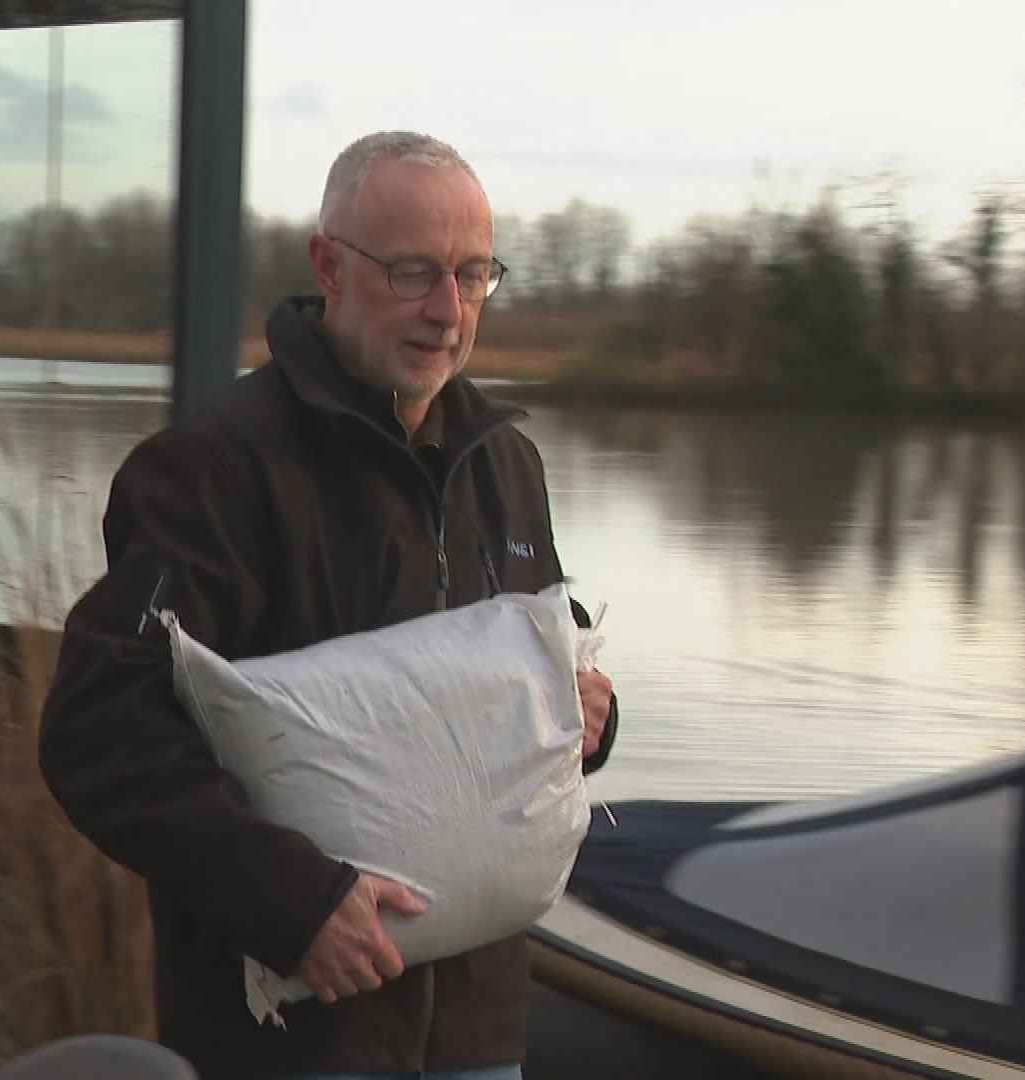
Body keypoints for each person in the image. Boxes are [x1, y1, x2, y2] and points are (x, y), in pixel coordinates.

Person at [40, 131, 618, 1080]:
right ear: (329, 268)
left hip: (478, 1031)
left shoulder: (506, 461)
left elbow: (549, 657)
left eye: (474, 276)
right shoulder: (215, 469)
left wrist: (586, 716)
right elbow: (99, 730)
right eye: (412, 273)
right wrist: (292, 904)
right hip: (295, 1041)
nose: (447, 310)